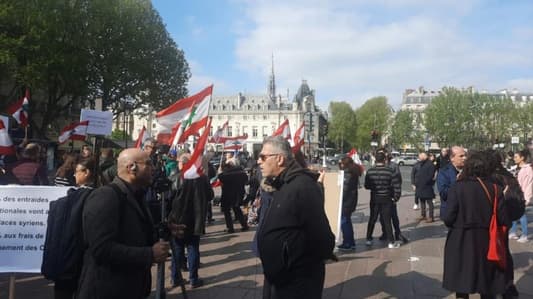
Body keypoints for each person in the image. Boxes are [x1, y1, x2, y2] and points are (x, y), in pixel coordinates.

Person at [77, 148, 170, 299]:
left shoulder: (137, 195)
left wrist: (167, 230)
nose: (153, 168)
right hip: (107, 290)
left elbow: (136, 234)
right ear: (131, 167)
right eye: (148, 164)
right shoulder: (106, 196)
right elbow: (101, 249)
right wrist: (149, 254)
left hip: (131, 288)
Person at [256, 136, 334, 299]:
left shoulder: (303, 186)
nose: (258, 161)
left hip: (296, 282)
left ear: (279, 159)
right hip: (280, 279)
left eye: (263, 157)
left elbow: (322, 236)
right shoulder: (283, 184)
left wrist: (291, 260)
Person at [442, 151, 519, 299]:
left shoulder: (457, 187)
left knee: (461, 283)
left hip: (460, 240)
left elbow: (448, 218)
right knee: (488, 283)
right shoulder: (495, 189)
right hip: (487, 240)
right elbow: (504, 219)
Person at [52, 158, 96, 299]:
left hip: (73, 256)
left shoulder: (88, 197)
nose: (74, 175)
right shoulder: (92, 194)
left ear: (87, 172)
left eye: (77, 172)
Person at [167, 153, 210, 288]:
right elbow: (210, 195)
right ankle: (193, 278)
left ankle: (175, 277)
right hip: (195, 219)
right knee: (192, 248)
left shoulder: (176, 178)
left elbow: (169, 199)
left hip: (178, 218)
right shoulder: (202, 178)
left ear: (182, 163)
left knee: (178, 249)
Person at [364, 152, 402, 249]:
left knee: (372, 218)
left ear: (375, 160)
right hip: (387, 198)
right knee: (387, 220)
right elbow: (396, 185)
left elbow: (366, 186)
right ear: (385, 160)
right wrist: (396, 197)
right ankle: (391, 241)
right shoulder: (390, 171)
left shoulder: (370, 171)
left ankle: (368, 238)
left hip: (375, 197)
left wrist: (374, 187)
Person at [218, 160, 249, 233]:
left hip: (227, 195)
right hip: (238, 194)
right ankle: (244, 225)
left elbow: (221, 178)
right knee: (237, 209)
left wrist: (220, 173)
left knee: (227, 212)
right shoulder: (241, 173)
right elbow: (246, 180)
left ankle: (230, 228)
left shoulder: (226, 174)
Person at [508, 149, 532, 243]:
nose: (514, 159)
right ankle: (513, 232)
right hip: (517, 194)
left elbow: (529, 184)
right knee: (515, 212)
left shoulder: (528, 169)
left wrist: (526, 196)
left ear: (522, 158)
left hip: (523, 194)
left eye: (516, 157)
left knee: (522, 215)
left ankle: (525, 235)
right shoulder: (519, 168)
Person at [337, 156, 360, 251]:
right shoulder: (352, 172)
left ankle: (348, 243)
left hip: (346, 202)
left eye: (341, 163)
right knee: (347, 221)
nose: (340, 165)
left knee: (344, 222)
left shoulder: (347, 174)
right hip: (350, 201)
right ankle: (350, 242)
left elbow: (344, 190)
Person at [437, 146, 466, 220]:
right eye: (461, 156)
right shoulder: (444, 172)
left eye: (465, 155)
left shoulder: (470, 171)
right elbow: (444, 194)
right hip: (451, 213)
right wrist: (457, 182)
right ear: (452, 158)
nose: (465, 158)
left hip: (467, 213)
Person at [415, 152, 436, 223]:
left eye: (420, 156)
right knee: (422, 201)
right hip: (420, 186)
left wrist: (425, 182)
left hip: (427, 186)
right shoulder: (422, 163)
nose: (419, 158)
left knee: (430, 202)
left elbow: (430, 176)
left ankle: (431, 217)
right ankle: (423, 215)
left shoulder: (430, 164)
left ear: (424, 156)